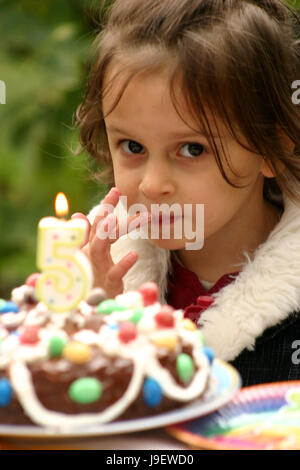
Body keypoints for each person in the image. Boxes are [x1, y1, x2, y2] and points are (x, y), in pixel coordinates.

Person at [73, 0, 300, 386]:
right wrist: (91, 323)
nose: (152, 184)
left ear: (269, 148)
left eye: (192, 149)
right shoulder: (94, 272)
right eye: (132, 146)